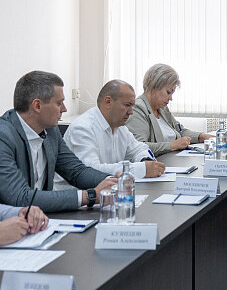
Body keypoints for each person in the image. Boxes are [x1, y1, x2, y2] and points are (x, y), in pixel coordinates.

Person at [0, 71, 117, 212]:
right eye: (59, 103)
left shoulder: (50, 131)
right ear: (37, 106)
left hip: (41, 221)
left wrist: (114, 181)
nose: (64, 109)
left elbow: (76, 171)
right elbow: (20, 197)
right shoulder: (3, 136)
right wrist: (90, 196)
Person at [59, 80, 165, 186]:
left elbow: (139, 149)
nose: (131, 112)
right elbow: (90, 171)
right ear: (108, 101)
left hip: (109, 192)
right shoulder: (83, 128)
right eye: (127, 105)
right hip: (78, 197)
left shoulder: (120, 127)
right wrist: (140, 169)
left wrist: (145, 160)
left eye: (132, 106)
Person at [126, 64, 212, 156]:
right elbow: (138, 147)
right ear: (154, 86)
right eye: (168, 92)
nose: (171, 98)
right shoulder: (137, 108)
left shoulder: (162, 108)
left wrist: (202, 136)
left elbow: (180, 131)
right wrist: (172, 145)